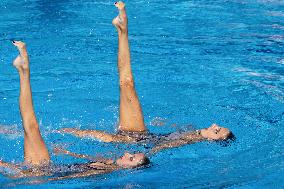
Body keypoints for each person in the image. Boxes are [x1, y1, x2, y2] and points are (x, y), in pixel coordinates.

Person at [60, 1, 235, 154]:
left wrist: (133, 149)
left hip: (134, 140)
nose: (214, 125)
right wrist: (163, 124)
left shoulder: (189, 141)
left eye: (217, 130)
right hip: (140, 134)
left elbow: (158, 149)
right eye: (218, 126)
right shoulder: (193, 133)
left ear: (213, 139)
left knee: (126, 83)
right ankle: (122, 30)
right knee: (126, 83)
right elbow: (168, 136)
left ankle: (123, 30)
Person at [0, 40, 149, 180]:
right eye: (133, 153)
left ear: (129, 171)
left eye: (131, 158)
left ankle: (24, 71)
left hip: (46, 174)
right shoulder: (110, 163)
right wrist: (66, 153)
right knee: (31, 127)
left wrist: (51, 178)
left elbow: (76, 176)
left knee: (31, 128)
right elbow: (86, 160)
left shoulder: (108, 171)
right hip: (47, 170)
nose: (127, 152)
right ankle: (23, 70)